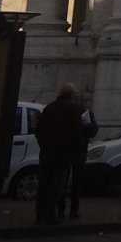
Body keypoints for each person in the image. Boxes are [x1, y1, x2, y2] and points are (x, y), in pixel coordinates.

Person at [35, 83, 85, 226]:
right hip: (63, 156)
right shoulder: (73, 109)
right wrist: (76, 151)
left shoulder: (48, 108)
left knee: (44, 185)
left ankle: (39, 215)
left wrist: (44, 145)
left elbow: (38, 130)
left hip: (46, 154)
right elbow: (77, 134)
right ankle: (50, 215)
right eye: (74, 93)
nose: (75, 95)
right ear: (70, 95)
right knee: (57, 187)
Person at [59, 95, 98, 220]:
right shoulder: (62, 112)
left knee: (76, 183)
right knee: (62, 181)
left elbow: (93, 130)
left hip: (78, 151)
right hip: (67, 150)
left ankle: (73, 209)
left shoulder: (85, 112)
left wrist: (86, 126)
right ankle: (61, 209)